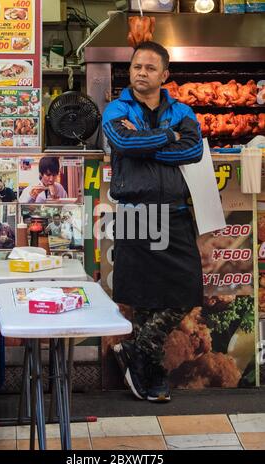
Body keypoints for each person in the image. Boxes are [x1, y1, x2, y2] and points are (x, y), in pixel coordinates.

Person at [102, 41, 203, 402]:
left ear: (164, 74)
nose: (141, 73)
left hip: (174, 211)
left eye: (149, 68)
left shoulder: (182, 110)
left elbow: (193, 149)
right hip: (134, 211)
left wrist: (146, 141)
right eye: (136, 67)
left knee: (187, 288)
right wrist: (168, 138)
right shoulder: (117, 108)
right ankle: (151, 372)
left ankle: (136, 349)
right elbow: (122, 143)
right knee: (143, 297)